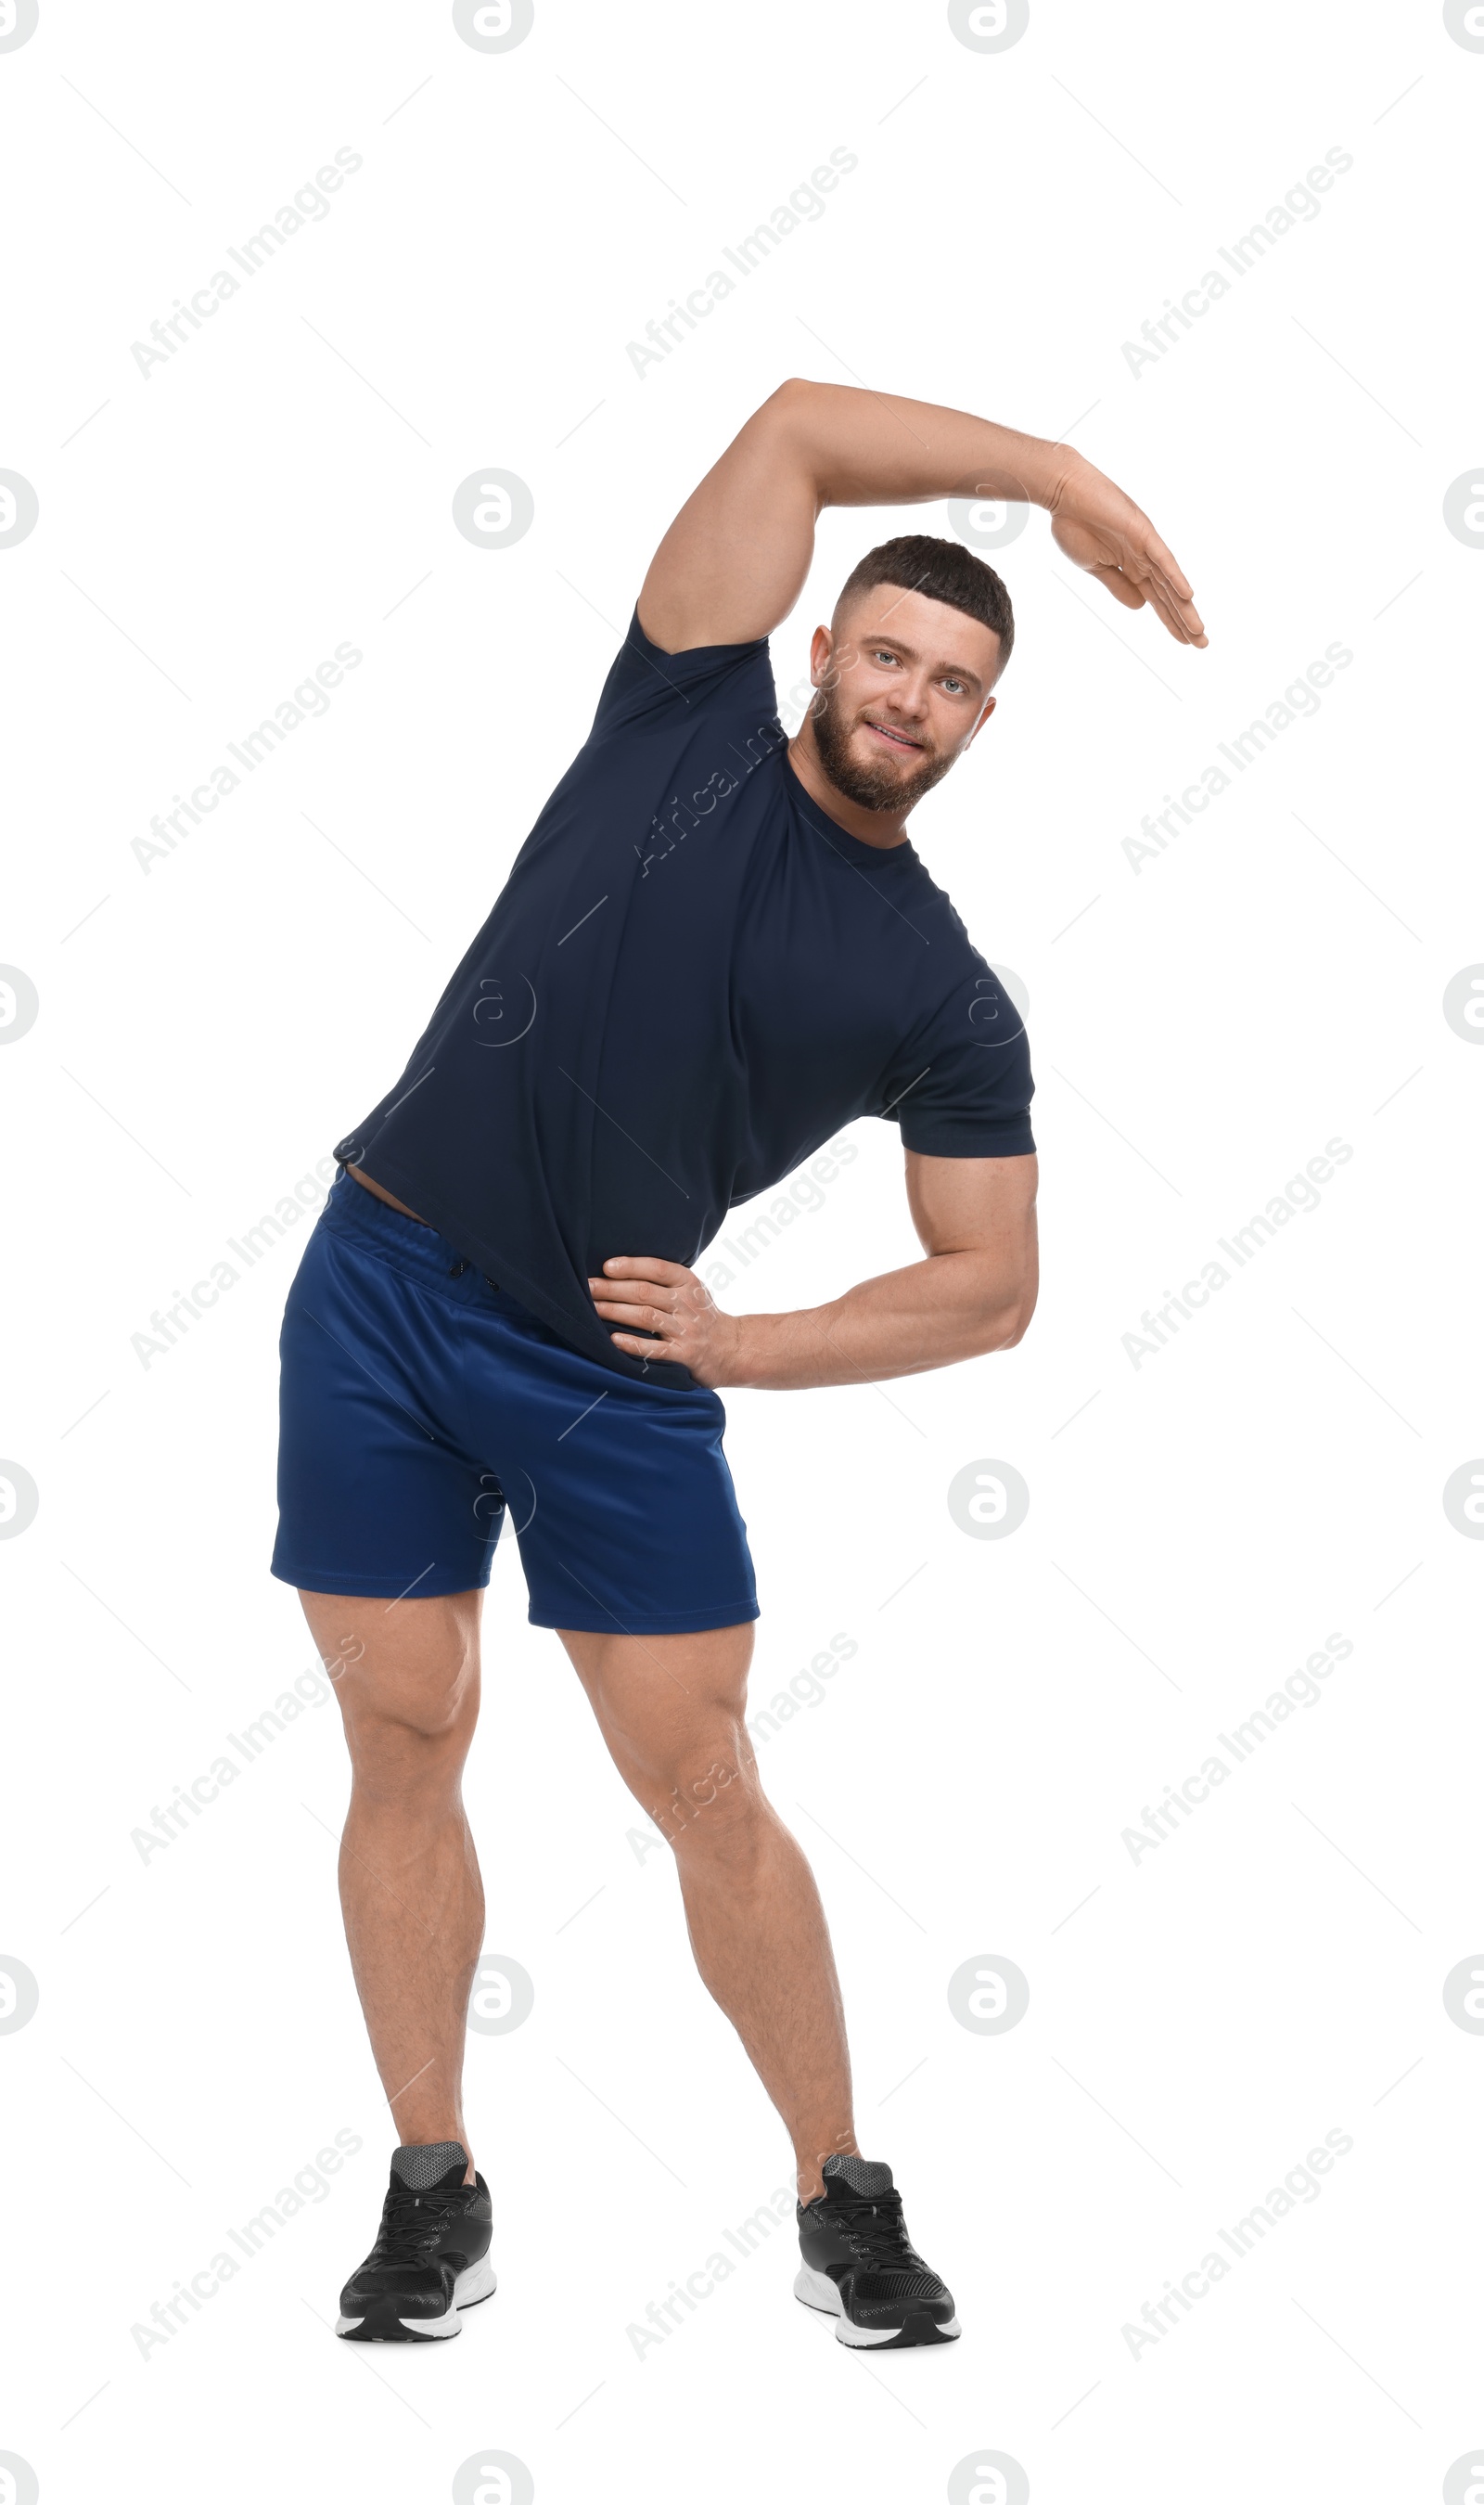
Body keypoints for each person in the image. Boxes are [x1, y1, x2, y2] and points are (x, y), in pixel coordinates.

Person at [271, 379, 1206, 2348]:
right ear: (816, 648)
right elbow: (787, 424)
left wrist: (748, 1345)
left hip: (610, 1371)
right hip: (378, 1285)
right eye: (885, 651)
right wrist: (1044, 476)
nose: (907, 696)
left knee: (699, 1776)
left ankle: (836, 2197)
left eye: (950, 682)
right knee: (404, 1733)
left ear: (976, 725)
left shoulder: (939, 994)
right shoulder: (680, 707)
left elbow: (988, 1283)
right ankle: (431, 2188)